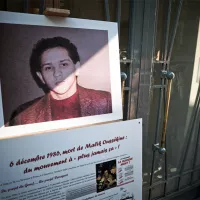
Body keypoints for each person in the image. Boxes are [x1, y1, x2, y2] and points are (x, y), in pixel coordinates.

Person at [9, 37, 112, 126]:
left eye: (63, 64)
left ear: (77, 68)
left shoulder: (106, 101)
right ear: (41, 77)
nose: (57, 73)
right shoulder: (22, 116)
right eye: (48, 68)